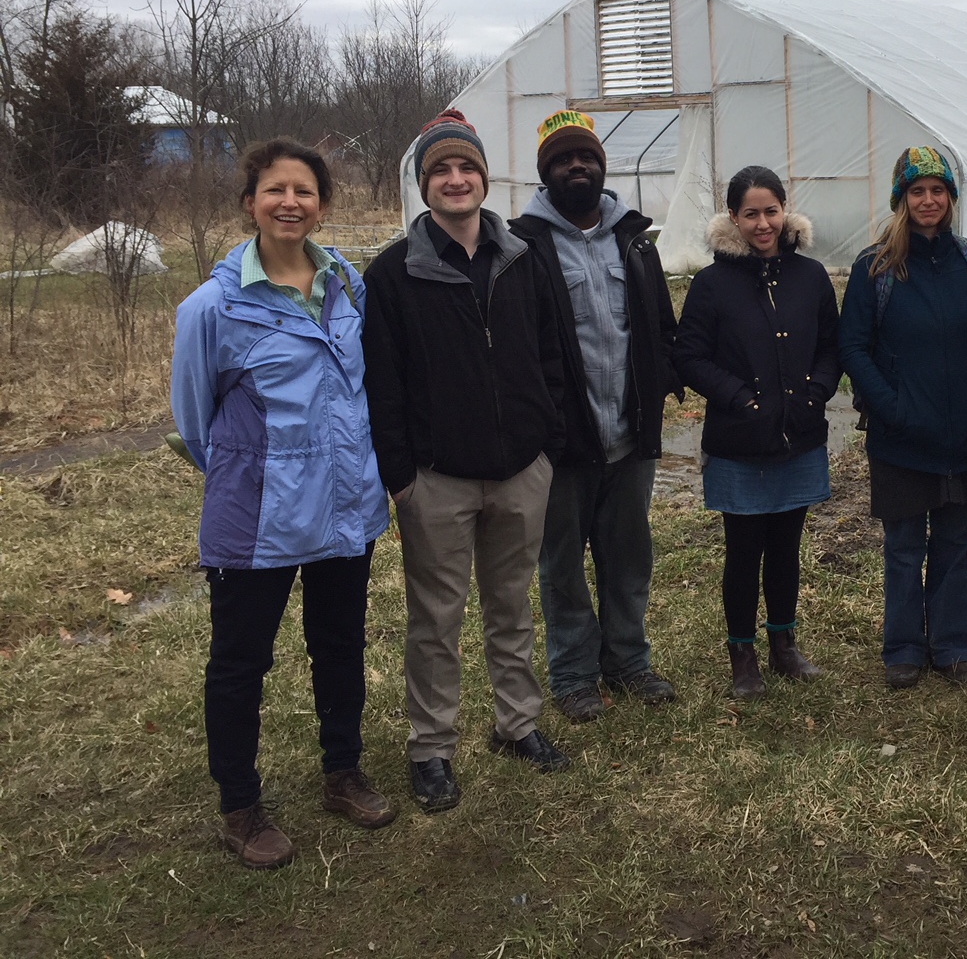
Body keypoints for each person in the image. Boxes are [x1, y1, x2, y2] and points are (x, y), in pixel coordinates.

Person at [172, 138, 395, 869]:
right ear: (250, 203)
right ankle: (240, 806)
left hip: (345, 506)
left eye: (304, 191)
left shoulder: (347, 287)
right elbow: (196, 424)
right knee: (241, 662)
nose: (289, 202)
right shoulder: (213, 307)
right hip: (256, 516)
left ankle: (343, 772)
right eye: (275, 190)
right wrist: (255, 473)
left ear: (322, 206)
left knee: (340, 644)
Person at [362, 109, 570, 814]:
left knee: (512, 605)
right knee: (436, 619)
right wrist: (402, 478)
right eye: (441, 170)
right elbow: (383, 384)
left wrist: (546, 445)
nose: (456, 179)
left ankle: (518, 723)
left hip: (521, 471)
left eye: (467, 167)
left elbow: (552, 355)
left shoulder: (525, 260)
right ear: (424, 185)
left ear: (484, 177)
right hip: (437, 480)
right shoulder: (394, 274)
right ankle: (431, 747)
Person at [510, 110, 682, 723]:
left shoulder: (634, 240)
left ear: (601, 166)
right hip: (562, 443)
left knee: (629, 557)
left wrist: (659, 390)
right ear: (545, 173)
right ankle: (575, 675)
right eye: (562, 159)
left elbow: (660, 326)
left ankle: (629, 661)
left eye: (585, 156)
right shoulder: (522, 247)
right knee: (562, 566)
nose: (576, 166)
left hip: (629, 437)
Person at [838, 146, 967, 688]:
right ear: (901, 199)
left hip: (965, 433)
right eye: (917, 191)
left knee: (955, 543)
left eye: (938, 190)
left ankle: (954, 646)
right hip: (901, 436)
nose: (929, 200)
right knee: (904, 546)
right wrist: (890, 406)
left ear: (951, 197)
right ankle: (904, 648)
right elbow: (853, 347)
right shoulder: (877, 267)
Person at [673, 166, 840, 698]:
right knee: (744, 550)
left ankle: (784, 645)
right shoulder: (711, 284)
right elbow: (690, 356)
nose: (763, 224)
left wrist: (816, 392)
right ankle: (742, 655)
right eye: (751, 214)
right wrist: (738, 397)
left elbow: (831, 346)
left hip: (798, 435)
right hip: (739, 442)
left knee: (787, 546)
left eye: (772, 211)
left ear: (785, 210)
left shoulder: (811, 276)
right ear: (733, 217)